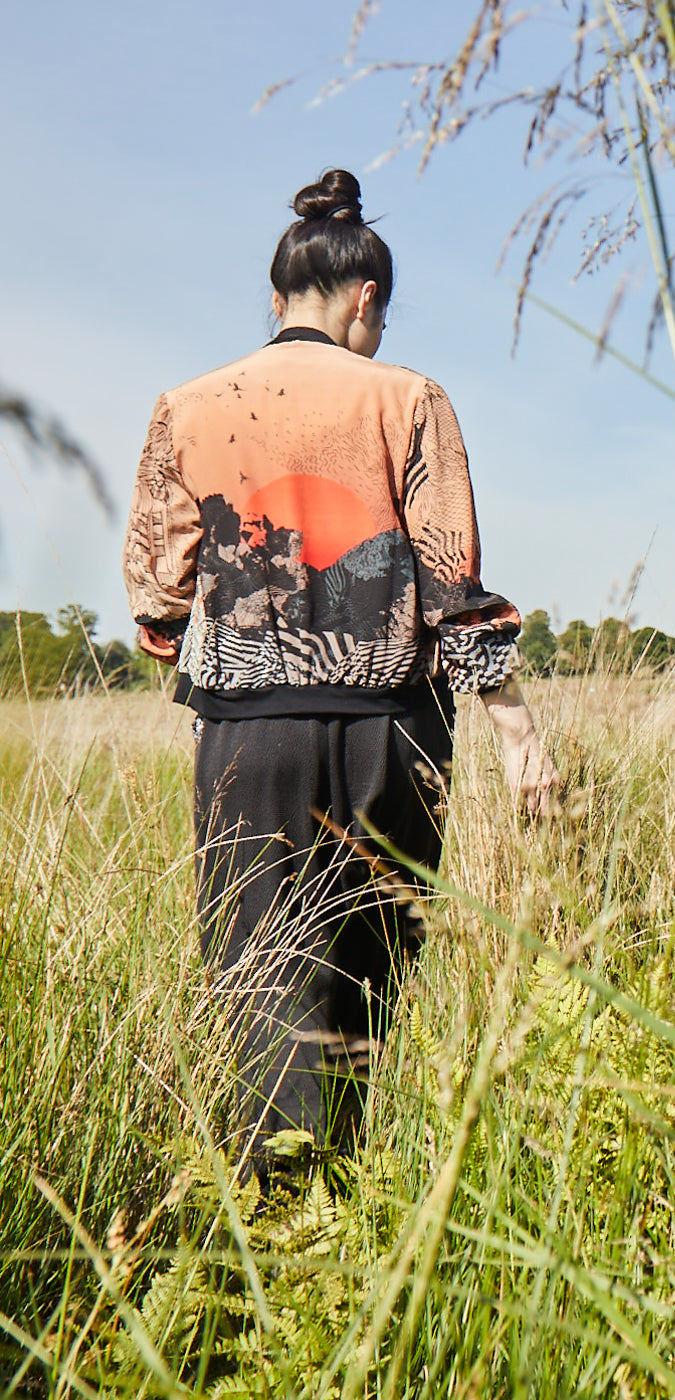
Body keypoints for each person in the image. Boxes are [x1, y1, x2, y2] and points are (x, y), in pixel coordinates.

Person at [122, 169, 557, 1169]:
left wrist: (172, 627)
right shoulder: (412, 397)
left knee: (262, 974)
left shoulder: (188, 404)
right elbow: (454, 585)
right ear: (366, 300)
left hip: (250, 732)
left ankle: (276, 1210)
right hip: (393, 733)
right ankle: (340, 1196)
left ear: (278, 301)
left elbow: (156, 591)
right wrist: (520, 739)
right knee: (366, 979)